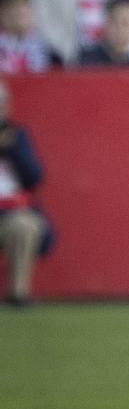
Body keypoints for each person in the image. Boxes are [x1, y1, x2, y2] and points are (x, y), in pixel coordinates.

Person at [0, 78, 49, 306]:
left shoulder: (17, 136)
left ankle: (17, 293)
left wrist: (11, 149)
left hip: (9, 211)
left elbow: (34, 177)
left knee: (25, 225)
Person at [77, 0, 129, 66]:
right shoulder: (87, 61)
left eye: (124, 23)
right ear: (106, 22)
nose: (119, 28)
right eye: (113, 21)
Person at [0, 0, 52, 73]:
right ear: (3, 13)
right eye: (14, 8)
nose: (20, 11)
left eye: (25, 9)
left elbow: (40, 74)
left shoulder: (44, 43)